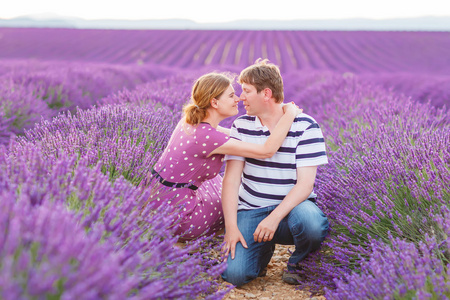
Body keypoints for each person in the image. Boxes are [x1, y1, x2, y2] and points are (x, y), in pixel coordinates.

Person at [150, 72, 301, 241]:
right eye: (231, 96)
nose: (237, 99)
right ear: (214, 102)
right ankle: (183, 239)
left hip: (154, 202)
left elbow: (238, 138)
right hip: (180, 217)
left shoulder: (190, 121)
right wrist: (289, 114)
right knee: (236, 201)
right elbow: (267, 151)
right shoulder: (209, 138)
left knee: (221, 183)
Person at [220, 59, 329, 286]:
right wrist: (231, 228)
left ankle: (299, 262)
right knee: (235, 276)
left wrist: (274, 218)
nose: (241, 97)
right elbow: (231, 180)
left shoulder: (306, 126)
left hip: (293, 210)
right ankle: (261, 252)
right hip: (251, 209)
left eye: (247, 91)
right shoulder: (241, 125)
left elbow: (305, 186)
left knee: (311, 224)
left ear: (266, 93)